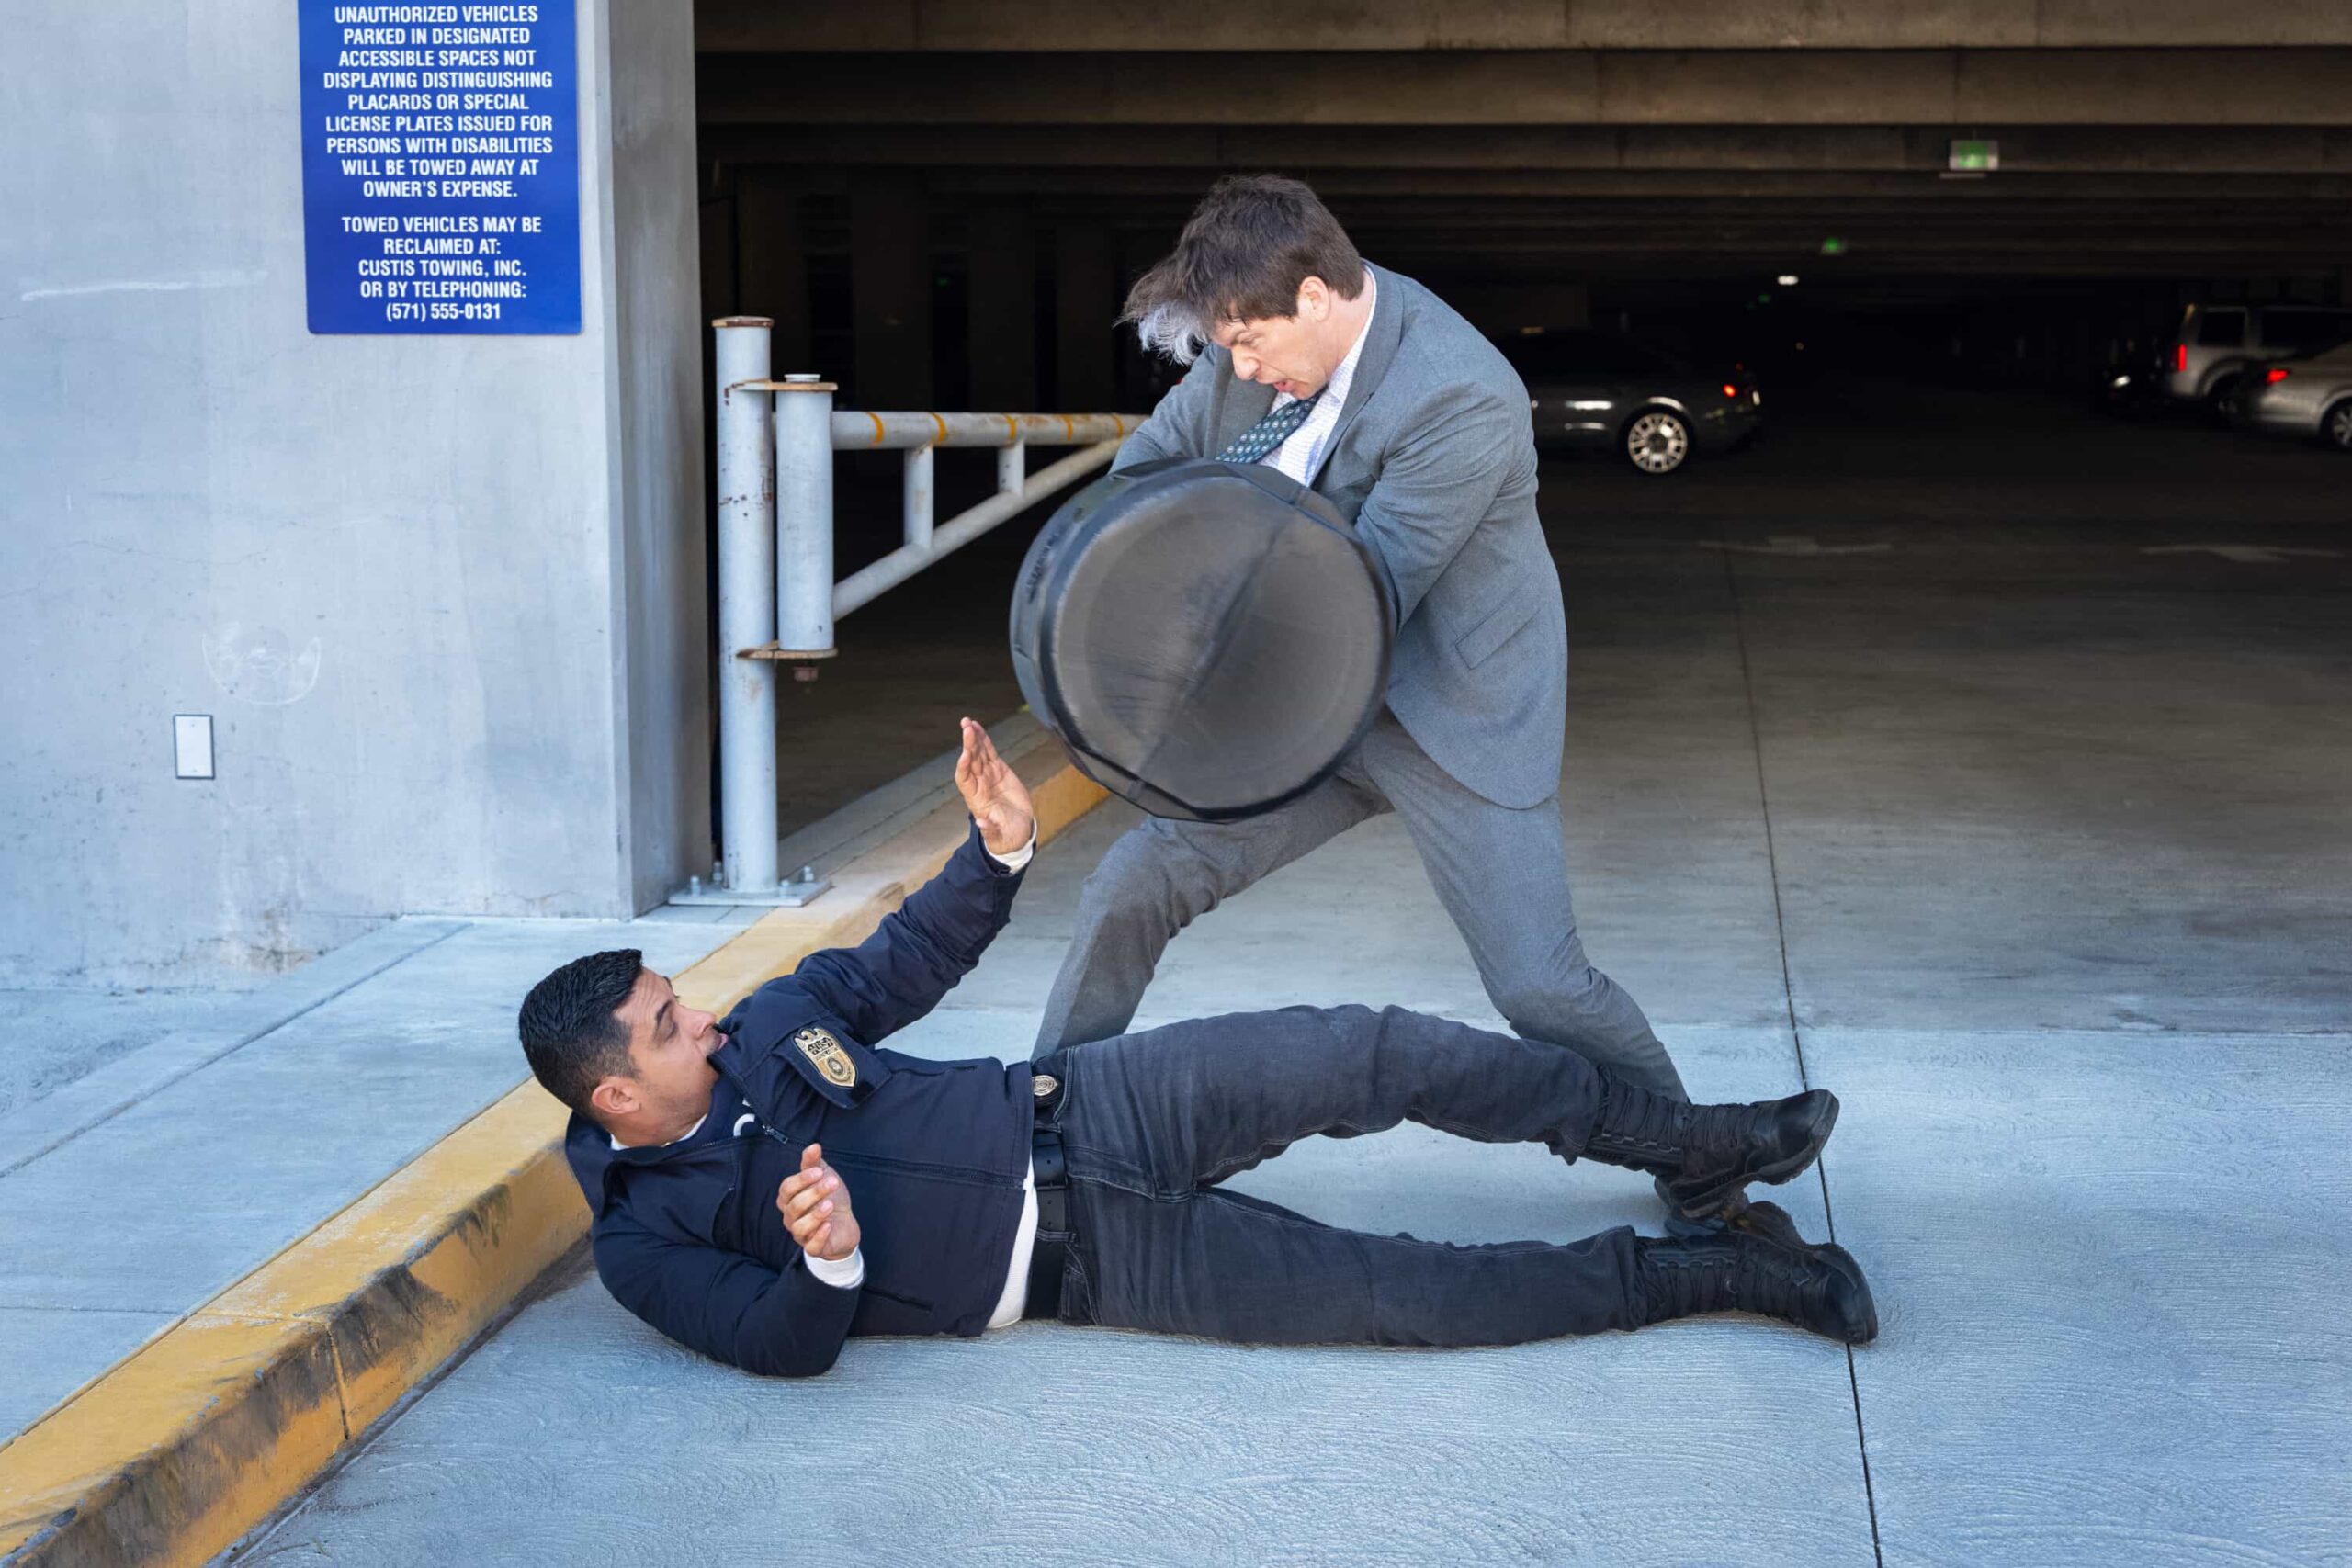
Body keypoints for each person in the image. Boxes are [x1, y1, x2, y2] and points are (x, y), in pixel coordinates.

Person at [516, 721, 1875, 1379]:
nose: (703, 1013)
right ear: (619, 1092)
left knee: (1372, 1048)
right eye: (668, 1023)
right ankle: (1722, 1271)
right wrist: (822, 1250)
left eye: (679, 995)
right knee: (1417, 1295)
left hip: (1104, 1106)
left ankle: (1702, 1140)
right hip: (1102, 1267)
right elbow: (781, 1343)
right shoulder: (643, 1248)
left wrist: (994, 847)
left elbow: (901, 959)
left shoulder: (761, 1027)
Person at [1030, 175, 1733, 1229]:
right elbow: (1139, 487)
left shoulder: (1459, 394)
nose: (1237, 366)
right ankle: (1043, 1134)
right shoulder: (1241, 363)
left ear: (1315, 296)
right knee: (1134, 882)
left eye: (1251, 340)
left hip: (1445, 707)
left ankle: (1697, 1161)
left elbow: (1364, 596)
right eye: (1224, 345)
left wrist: (1206, 635)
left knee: (1539, 990)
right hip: (1302, 716)